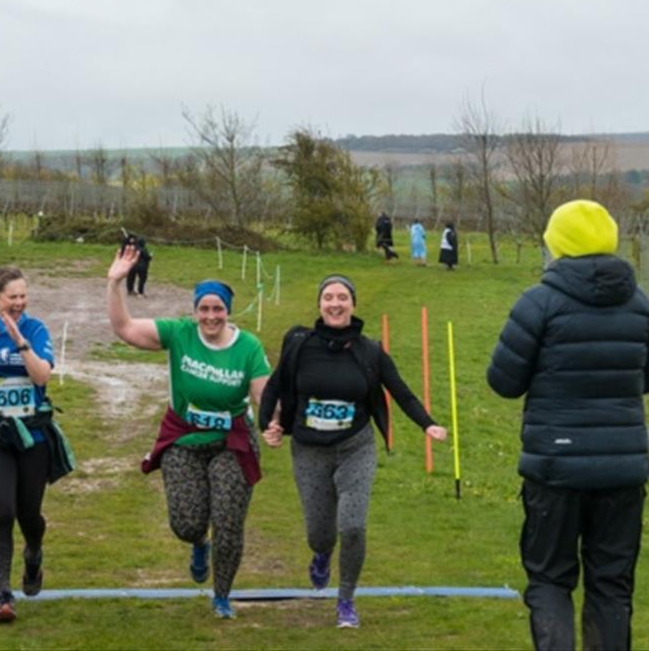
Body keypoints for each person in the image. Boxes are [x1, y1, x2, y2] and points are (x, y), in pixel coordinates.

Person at [487, 200, 649, 651]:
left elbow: (503, 381)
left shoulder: (539, 302)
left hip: (555, 465)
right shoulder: (640, 304)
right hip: (622, 469)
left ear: (557, 244)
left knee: (550, 580)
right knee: (612, 585)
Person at [258, 274, 447, 629]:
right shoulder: (299, 343)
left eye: (342, 297)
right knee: (320, 532)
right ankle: (321, 555)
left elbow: (401, 392)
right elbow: (275, 385)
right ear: (319, 304)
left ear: (353, 304)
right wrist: (268, 424)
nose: (335, 303)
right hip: (309, 449)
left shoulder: (369, 351)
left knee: (354, 525)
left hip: (355, 447)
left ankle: (346, 599)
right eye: (328, 297)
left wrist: (427, 424)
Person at [107, 245, 270, 620]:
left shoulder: (248, 347)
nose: (210, 316)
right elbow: (125, 329)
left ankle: (222, 595)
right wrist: (115, 283)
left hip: (233, 441)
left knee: (228, 521)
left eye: (218, 309)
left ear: (228, 311)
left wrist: (275, 420)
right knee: (187, 523)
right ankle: (198, 543)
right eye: (204, 309)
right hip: (184, 439)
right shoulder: (179, 334)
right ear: (195, 310)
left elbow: (262, 396)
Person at [0, 265, 73, 624]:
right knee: (2, 511)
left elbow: (42, 376)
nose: (19, 303)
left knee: (29, 515)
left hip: (33, 435)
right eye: (13, 297)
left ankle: (34, 552)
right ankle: (4, 594)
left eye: (23, 296)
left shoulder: (36, 329)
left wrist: (20, 342)